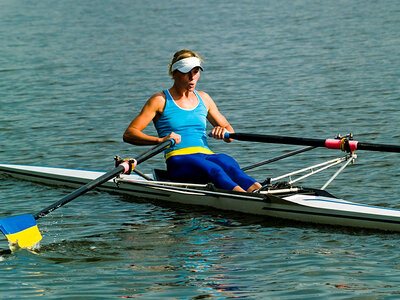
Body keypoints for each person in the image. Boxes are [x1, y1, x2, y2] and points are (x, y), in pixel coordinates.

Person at [123, 49, 262, 193]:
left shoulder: (204, 98)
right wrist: (160, 140)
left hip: (206, 155)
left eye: (196, 72)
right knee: (214, 169)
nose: (192, 77)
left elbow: (229, 132)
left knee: (229, 163)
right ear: (174, 73)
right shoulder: (160, 100)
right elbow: (129, 134)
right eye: (186, 72)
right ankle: (249, 199)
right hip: (178, 160)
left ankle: (261, 191)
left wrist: (224, 132)